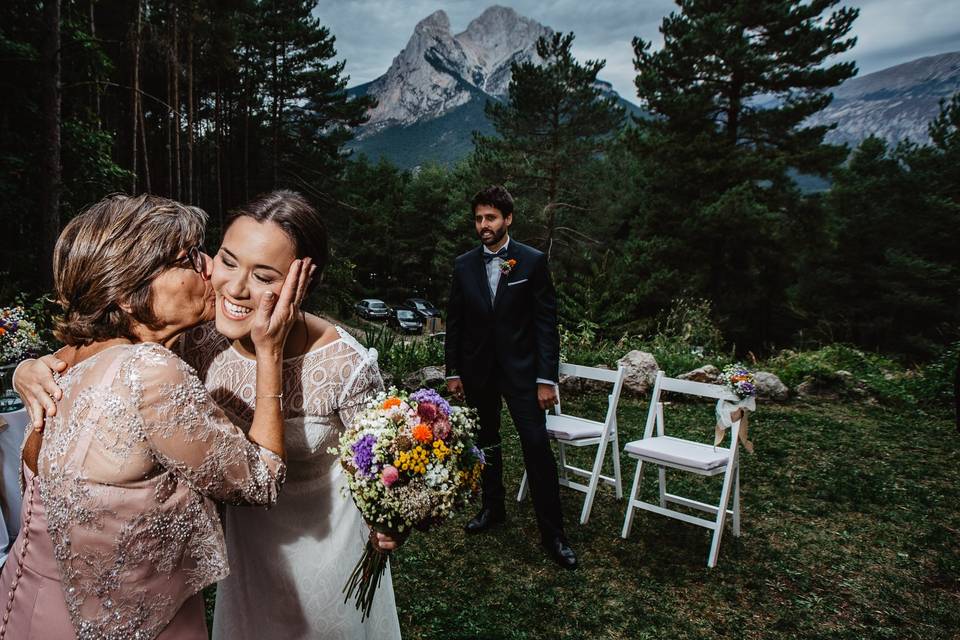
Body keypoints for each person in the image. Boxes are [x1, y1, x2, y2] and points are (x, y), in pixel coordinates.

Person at [16, 190, 403, 639]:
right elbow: (95, 352)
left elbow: (382, 463)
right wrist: (28, 370)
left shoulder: (345, 365)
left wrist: (392, 519)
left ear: (304, 283)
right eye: (225, 260)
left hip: (326, 553)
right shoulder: (196, 339)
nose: (234, 287)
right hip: (241, 557)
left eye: (263, 275)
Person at [444, 185, 576, 569]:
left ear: (508, 219)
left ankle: (554, 534)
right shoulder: (463, 264)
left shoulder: (531, 262)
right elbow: (455, 322)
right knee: (487, 444)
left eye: (491, 218)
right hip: (478, 373)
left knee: (536, 446)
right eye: (479, 219)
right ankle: (492, 508)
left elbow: (545, 324)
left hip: (522, 376)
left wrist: (545, 379)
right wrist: (454, 372)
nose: (483, 225)